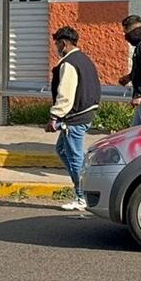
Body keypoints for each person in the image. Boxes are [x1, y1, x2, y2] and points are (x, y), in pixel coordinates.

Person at [46, 26, 101, 211]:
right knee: (62, 150)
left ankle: (82, 196)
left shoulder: (68, 63)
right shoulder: (84, 59)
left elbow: (66, 95)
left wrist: (54, 116)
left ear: (63, 43)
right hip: (85, 113)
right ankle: (83, 189)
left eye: (56, 44)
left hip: (75, 118)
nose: (56, 48)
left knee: (75, 157)